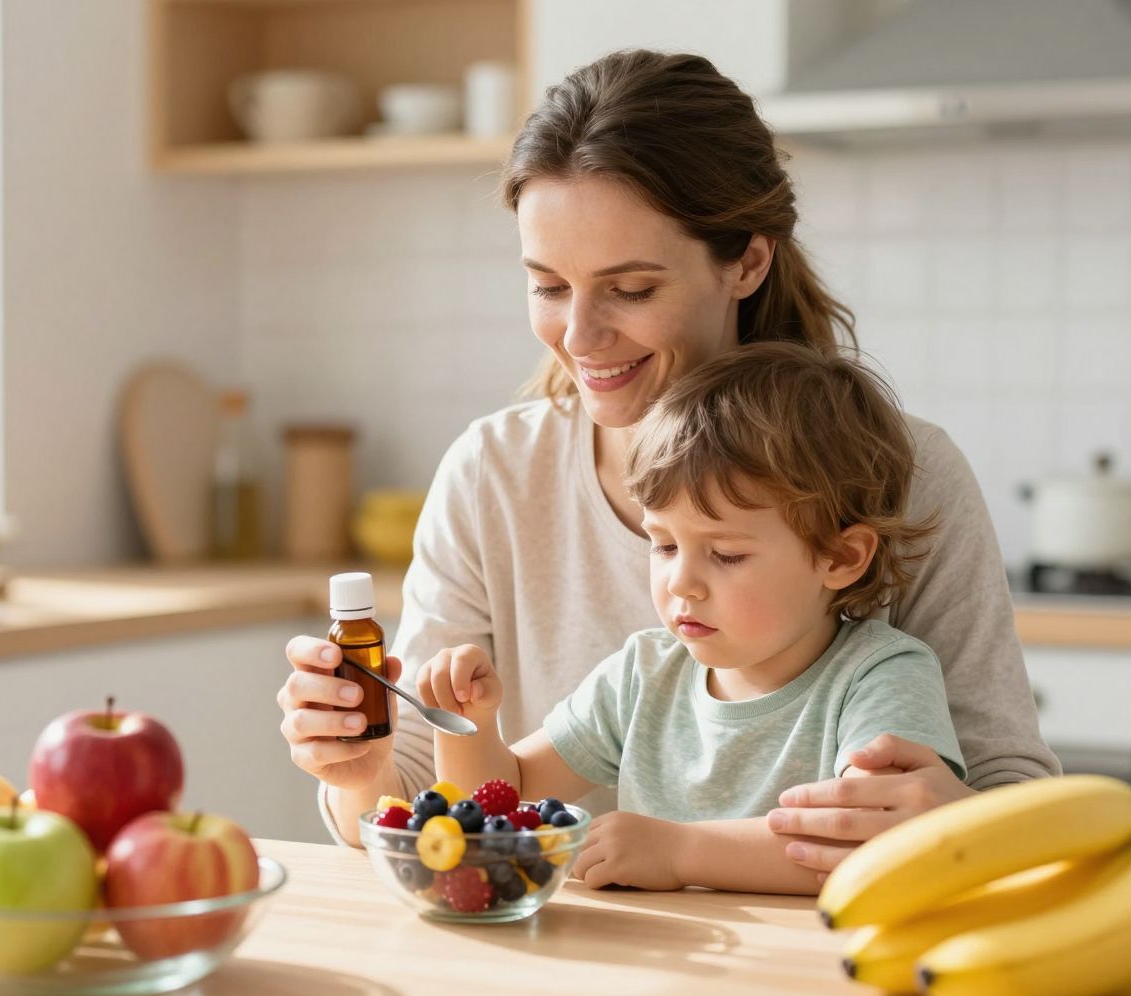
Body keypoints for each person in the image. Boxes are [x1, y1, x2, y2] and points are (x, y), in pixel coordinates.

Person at [276, 49, 1059, 861]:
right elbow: (431, 806)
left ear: (747, 262)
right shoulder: (494, 476)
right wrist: (356, 772)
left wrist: (954, 819)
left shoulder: (904, 475)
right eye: (548, 286)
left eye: (633, 289)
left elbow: (1015, 798)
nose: (579, 337)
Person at [413, 343, 964, 893]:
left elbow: (872, 845)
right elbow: (497, 802)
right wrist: (470, 725)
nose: (681, 582)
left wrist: (680, 852)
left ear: (840, 557)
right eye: (664, 545)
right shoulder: (643, 675)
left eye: (726, 554)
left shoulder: (882, 675)